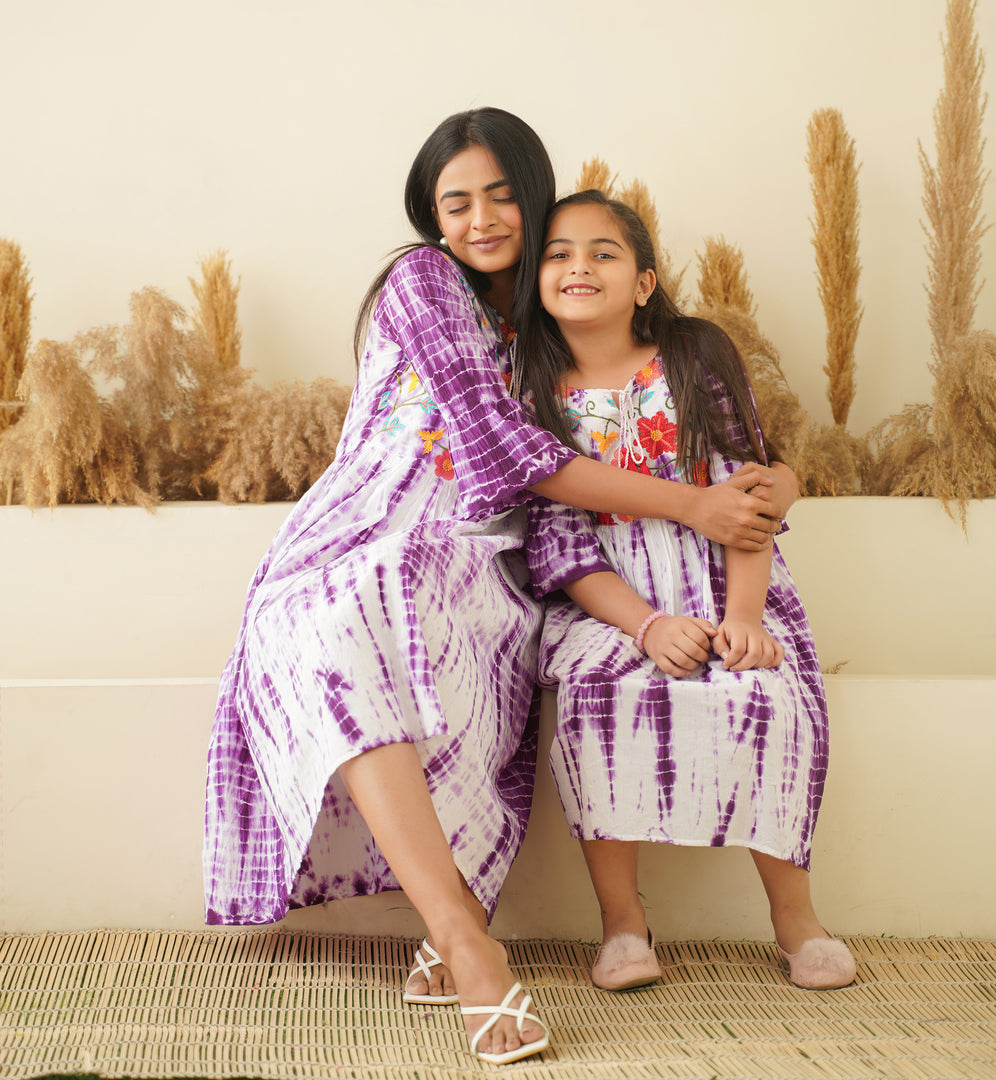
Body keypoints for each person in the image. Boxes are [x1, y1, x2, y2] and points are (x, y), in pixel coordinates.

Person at [202, 111, 799, 1066]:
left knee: (463, 638)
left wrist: (774, 483)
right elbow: (502, 448)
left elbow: (653, 430)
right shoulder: (422, 281)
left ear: (534, 188)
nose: (479, 218)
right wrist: (694, 506)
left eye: (500, 193)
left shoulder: (557, 315)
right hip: (365, 529)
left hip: (488, 552)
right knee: (350, 605)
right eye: (455, 201)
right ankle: (469, 945)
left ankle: (460, 923)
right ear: (431, 217)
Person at [519, 190, 856, 993]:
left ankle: (796, 920)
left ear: (643, 282)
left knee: (766, 694)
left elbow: (750, 496)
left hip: (724, 574)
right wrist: (644, 627)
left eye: (604, 253)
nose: (579, 267)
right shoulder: (529, 383)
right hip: (605, 598)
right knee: (596, 702)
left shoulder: (696, 354)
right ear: (537, 279)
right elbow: (556, 540)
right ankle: (624, 925)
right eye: (559, 254)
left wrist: (743, 617)